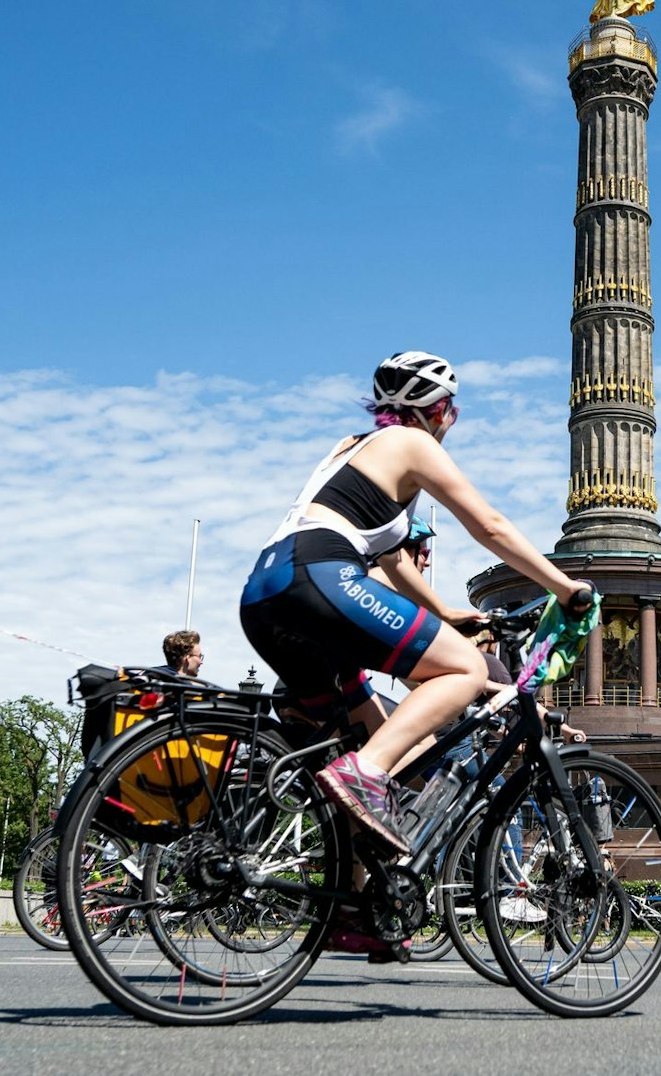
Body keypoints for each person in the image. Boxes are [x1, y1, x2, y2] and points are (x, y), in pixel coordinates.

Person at [240, 351, 591, 858]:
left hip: (265, 593)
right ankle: (366, 772)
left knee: (369, 744)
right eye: (452, 412)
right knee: (465, 670)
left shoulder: (353, 448)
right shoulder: (412, 443)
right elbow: (488, 526)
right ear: (440, 410)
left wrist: (445, 612)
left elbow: (393, 560)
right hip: (317, 575)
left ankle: (357, 913)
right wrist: (564, 588)